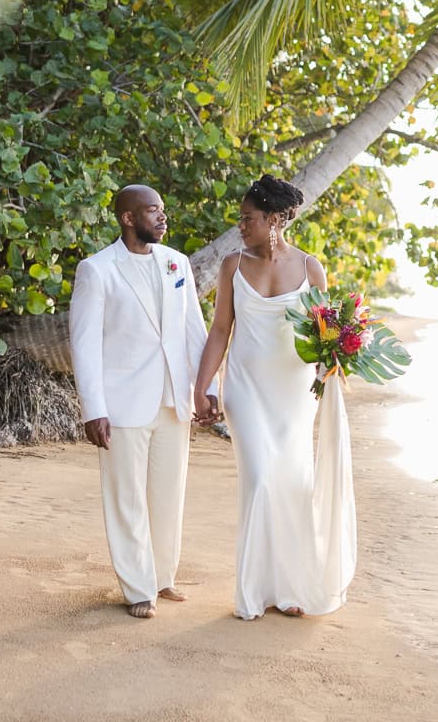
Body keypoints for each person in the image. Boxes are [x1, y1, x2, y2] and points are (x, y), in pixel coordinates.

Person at [192, 175, 356, 619]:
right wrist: (202, 386)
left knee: (292, 482)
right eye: (241, 219)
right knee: (261, 479)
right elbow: (220, 331)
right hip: (244, 388)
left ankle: (289, 589)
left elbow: (324, 334)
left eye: (249, 219)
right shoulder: (232, 265)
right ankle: (253, 591)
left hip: (296, 392)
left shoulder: (310, 268)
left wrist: (333, 359)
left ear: (276, 219)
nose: (241, 226)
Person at [69, 184, 209, 619]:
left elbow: (193, 331)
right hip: (122, 401)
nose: (162, 218)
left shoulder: (176, 263)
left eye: (163, 210)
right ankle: (137, 588)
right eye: (152, 211)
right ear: (128, 219)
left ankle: (162, 576)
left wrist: (208, 389)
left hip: (174, 398)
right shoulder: (97, 270)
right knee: (126, 498)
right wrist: (94, 408)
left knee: (169, 494)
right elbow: (84, 344)